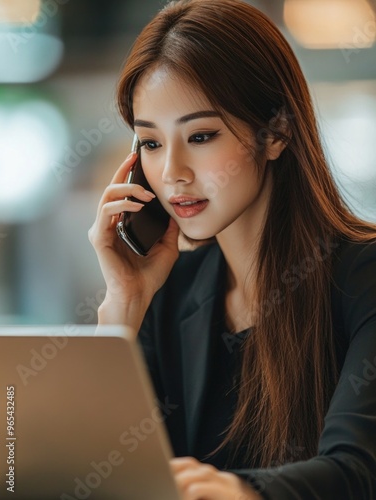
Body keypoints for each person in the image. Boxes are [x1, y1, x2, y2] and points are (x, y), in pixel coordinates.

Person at [88, 0, 376, 498]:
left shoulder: (362, 277)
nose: (173, 172)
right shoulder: (168, 292)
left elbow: (357, 471)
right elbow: (101, 477)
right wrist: (123, 311)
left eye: (200, 135)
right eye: (151, 144)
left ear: (277, 132)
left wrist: (243, 493)